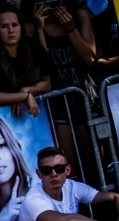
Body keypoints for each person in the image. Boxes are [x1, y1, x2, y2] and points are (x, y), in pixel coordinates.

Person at [32, 0, 98, 181]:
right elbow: (44, 68)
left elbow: (89, 58)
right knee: (68, 169)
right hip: (57, 104)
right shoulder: (33, 25)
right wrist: (39, 29)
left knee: (93, 166)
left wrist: (70, 28)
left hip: (83, 98)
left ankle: (99, 207)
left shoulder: (80, 15)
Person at [0, 3, 51, 116]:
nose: (11, 30)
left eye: (15, 25)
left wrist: (25, 90)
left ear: (21, 26)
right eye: (4, 26)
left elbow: (47, 83)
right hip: (4, 118)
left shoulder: (33, 46)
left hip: (40, 114)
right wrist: (24, 96)